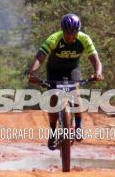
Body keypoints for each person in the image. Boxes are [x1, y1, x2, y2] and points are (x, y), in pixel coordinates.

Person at [28, 13, 103, 150]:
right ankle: (52, 132)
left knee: (75, 91)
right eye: (67, 33)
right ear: (62, 31)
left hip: (72, 69)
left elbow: (95, 59)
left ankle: (79, 125)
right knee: (54, 98)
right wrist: (32, 72)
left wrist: (98, 72)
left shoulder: (84, 39)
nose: (69, 36)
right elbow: (40, 56)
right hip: (54, 70)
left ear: (77, 31)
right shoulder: (54, 38)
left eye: (73, 33)